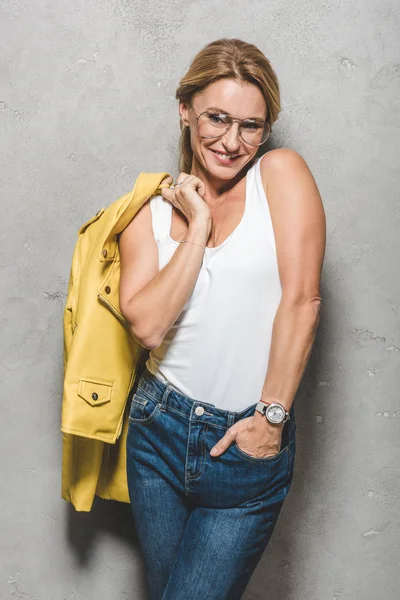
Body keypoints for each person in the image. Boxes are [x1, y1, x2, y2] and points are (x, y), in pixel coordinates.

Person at [118, 37, 326, 600]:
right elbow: (149, 328)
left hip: (243, 445)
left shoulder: (279, 176)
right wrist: (200, 227)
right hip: (156, 433)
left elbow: (303, 300)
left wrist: (271, 421)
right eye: (217, 118)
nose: (232, 142)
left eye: (251, 127)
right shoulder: (148, 213)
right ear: (185, 110)